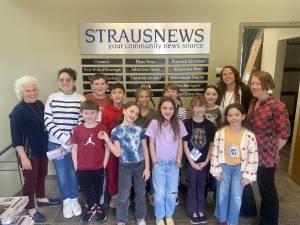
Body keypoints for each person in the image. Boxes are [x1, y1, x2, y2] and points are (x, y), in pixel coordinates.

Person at [9, 76, 60, 222]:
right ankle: (30, 208)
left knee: (41, 174)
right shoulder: (17, 112)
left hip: (42, 148)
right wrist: (23, 157)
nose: (32, 93)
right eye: (28, 91)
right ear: (21, 93)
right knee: (30, 180)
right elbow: (16, 138)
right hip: (28, 152)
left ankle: (42, 198)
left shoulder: (39, 104)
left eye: (34, 89)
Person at [247, 71, 290, 225]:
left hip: (267, 156)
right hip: (252, 154)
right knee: (260, 187)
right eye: (252, 83)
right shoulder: (253, 102)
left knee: (267, 189)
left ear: (267, 85)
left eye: (258, 83)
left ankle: (270, 222)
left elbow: (284, 135)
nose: (254, 86)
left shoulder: (277, 105)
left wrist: (272, 150)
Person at [99, 102, 150, 225]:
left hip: (140, 166)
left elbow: (145, 149)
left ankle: (140, 217)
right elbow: (117, 153)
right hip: (125, 167)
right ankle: (122, 220)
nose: (133, 115)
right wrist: (107, 139)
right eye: (131, 111)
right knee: (123, 195)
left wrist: (147, 168)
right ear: (124, 111)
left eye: (136, 114)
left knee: (140, 193)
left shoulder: (140, 130)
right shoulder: (116, 131)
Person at [44, 68, 85, 218]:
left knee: (73, 173)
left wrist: (70, 140)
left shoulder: (81, 99)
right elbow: (48, 120)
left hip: (74, 144)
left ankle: (74, 199)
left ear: (73, 81)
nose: (65, 82)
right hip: (56, 144)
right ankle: (66, 201)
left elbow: (81, 122)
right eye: (61, 80)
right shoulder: (52, 97)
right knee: (61, 174)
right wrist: (63, 138)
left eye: (68, 80)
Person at [217, 65, 256, 217]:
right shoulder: (220, 91)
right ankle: (222, 210)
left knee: (241, 167)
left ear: (235, 75)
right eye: (224, 74)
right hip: (222, 130)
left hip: (239, 129)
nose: (227, 76)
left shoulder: (244, 90)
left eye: (230, 73)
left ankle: (243, 209)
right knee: (223, 166)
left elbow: (248, 110)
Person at [210, 103, 258, 225]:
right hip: (224, 167)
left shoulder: (249, 135)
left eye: (237, 114)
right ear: (226, 117)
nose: (234, 118)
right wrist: (216, 169)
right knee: (222, 195)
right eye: (230, 115)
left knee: (236, 197)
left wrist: (248, 175)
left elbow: (253, 155)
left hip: (240, 169)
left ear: (243, 116)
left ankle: (232, 222)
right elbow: (215, 151)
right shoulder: (220, 133)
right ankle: (222, 220)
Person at [146, 96, 188, 225]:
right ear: (160, 109)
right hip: (159, 164)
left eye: (171, 108)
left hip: (173, 165)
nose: (168, 111)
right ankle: (159, 217)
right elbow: (151, 143)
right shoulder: (154, 123)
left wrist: (178, 161)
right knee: (159, 193)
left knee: (171, 192)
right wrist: (154, 162)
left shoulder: (178, 123)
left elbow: (181, 143)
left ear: (174, 109)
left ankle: (169, 215)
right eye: (164, 108)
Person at [71, 100, 109, 222]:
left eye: (92, 113)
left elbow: (107, 147)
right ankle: (91, 207)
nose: (89, 116)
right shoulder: (77, 129)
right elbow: (74, 147)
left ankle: (98, 206)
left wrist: (104, 164)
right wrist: (76, 164)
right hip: (82, 168)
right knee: (87, 190)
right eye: (86, 113)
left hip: (98, 167)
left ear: (97, 113)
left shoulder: (102, 128)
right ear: (81, 113)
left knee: (98, 190)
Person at [183, 95, 216, 224]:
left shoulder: (210, 125)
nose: (199, 109)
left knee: (202, 186)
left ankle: (201, 209)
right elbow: (185, 144)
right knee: (192, 185)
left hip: (204, 162)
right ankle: (192, 211)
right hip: (191, 162)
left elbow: (211, 145)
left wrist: (207, 161)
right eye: (196, 106)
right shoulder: (186, 123)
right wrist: (191, 162)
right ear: (192, 107)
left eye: (202, 106)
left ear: (205, 108)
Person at [84, 73, 112, 208]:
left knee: (103, 168)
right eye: (96, 84)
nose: (100, 86)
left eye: (102, 84)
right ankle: (90, 198)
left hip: (106, 139)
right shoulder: (85, 98)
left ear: (106, 86)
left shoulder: (111, 99)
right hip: (89, 140)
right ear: (91, 86)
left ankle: (100, 198)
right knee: (90, 169)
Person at [101, 82, 125, 208]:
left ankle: (125, 194)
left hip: (126, 149)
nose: (117, 95)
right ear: (110, 95)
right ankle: (114, 195)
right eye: (114, 92)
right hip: (111, 148)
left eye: (120, 92)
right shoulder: (106, 112)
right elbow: (104, 130)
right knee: (112, 171)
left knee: (125, 171)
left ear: (124, 94)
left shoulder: (128, 109)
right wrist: (109, 145)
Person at [135, 86, 157, 206]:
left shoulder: (154, 113)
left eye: (146, 96)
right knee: (139, 172)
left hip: (151, 147)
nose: (144, 99)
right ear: (137, 98)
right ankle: (140, 194)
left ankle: (152, 193)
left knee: (152, 171)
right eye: (141, 96)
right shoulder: (134, 111)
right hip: (136, 149)